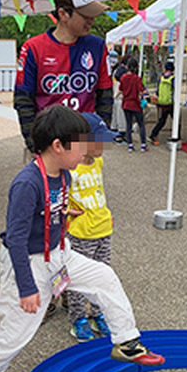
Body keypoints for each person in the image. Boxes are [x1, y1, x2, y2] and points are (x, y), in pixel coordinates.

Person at [0, 106, 165, 372]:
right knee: (17, 333)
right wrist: (27, 287)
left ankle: (126, 341)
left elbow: (49, 207)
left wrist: (60, 213)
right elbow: (16, 240)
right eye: (81, 145)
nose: (87, 153)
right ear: (58, 146)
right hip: (28, 260)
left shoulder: (64, 174)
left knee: (104, 276)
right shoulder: (26, 184)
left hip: (59, 252)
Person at [14, 0, 113, 153]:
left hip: (85, 144)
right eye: (85, 15)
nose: (92, 20)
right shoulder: (33, 48)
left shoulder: (97, 46)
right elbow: (23, 101)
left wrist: (98, 141)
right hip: (49, 145)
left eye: (93, 14)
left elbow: (105, 95)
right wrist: (35, 146)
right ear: (63, 14)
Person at [66, 113, 115, 341]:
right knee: (77, 277)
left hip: (103, 228)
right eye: (100, 141)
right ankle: (78, 319)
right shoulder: (72, 169)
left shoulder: (99, 162)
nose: (104, 146)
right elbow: (56, 191)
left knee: (102, 276)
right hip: (81, 232)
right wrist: (64, 211)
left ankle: (97, 314)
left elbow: (98, 191)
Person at [119, 57, 149, 153]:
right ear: (136, 68)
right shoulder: (137, 78)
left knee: (128, 124)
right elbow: (142, 91)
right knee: (141, 124)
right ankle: (143, 145)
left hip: (126, 104)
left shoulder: (123, 77)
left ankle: (130, 145)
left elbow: (121, 89)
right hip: (135, 104)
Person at [149, 60, 174, 145]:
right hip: (170, 103)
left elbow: (158, 91)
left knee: (162, 121)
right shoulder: (172, 78)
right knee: (176, 120)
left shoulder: (161, 78)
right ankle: (176, 137)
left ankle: (153, 134)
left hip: (162, 103)